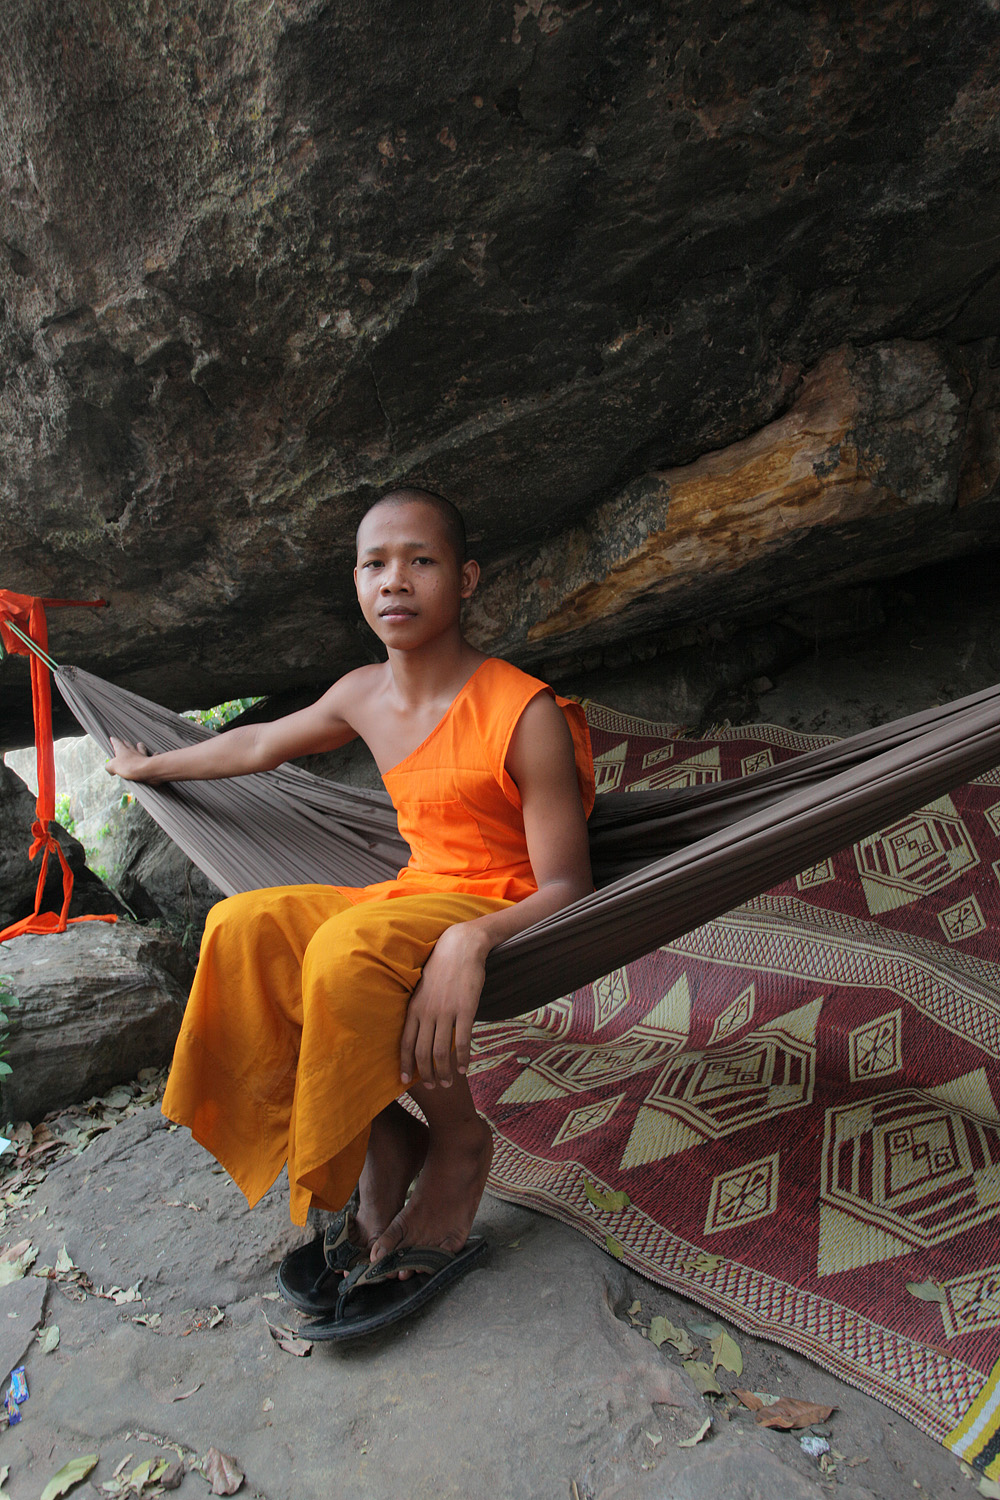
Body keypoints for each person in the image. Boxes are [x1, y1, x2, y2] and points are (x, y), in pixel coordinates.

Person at [105, 487, 595, 1337]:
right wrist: (154, 768)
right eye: (375, 564)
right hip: (413, 892)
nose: (395, 581)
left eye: (422, 561)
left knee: (345, 950)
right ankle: (382, 1136)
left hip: (496, 901)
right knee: (242, 929)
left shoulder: (524, 712)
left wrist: (470, 942)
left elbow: (566, 889)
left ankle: (456, 1142)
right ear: (357, 584)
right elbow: (258, 744)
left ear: (467, 578)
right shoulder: (363, 692)